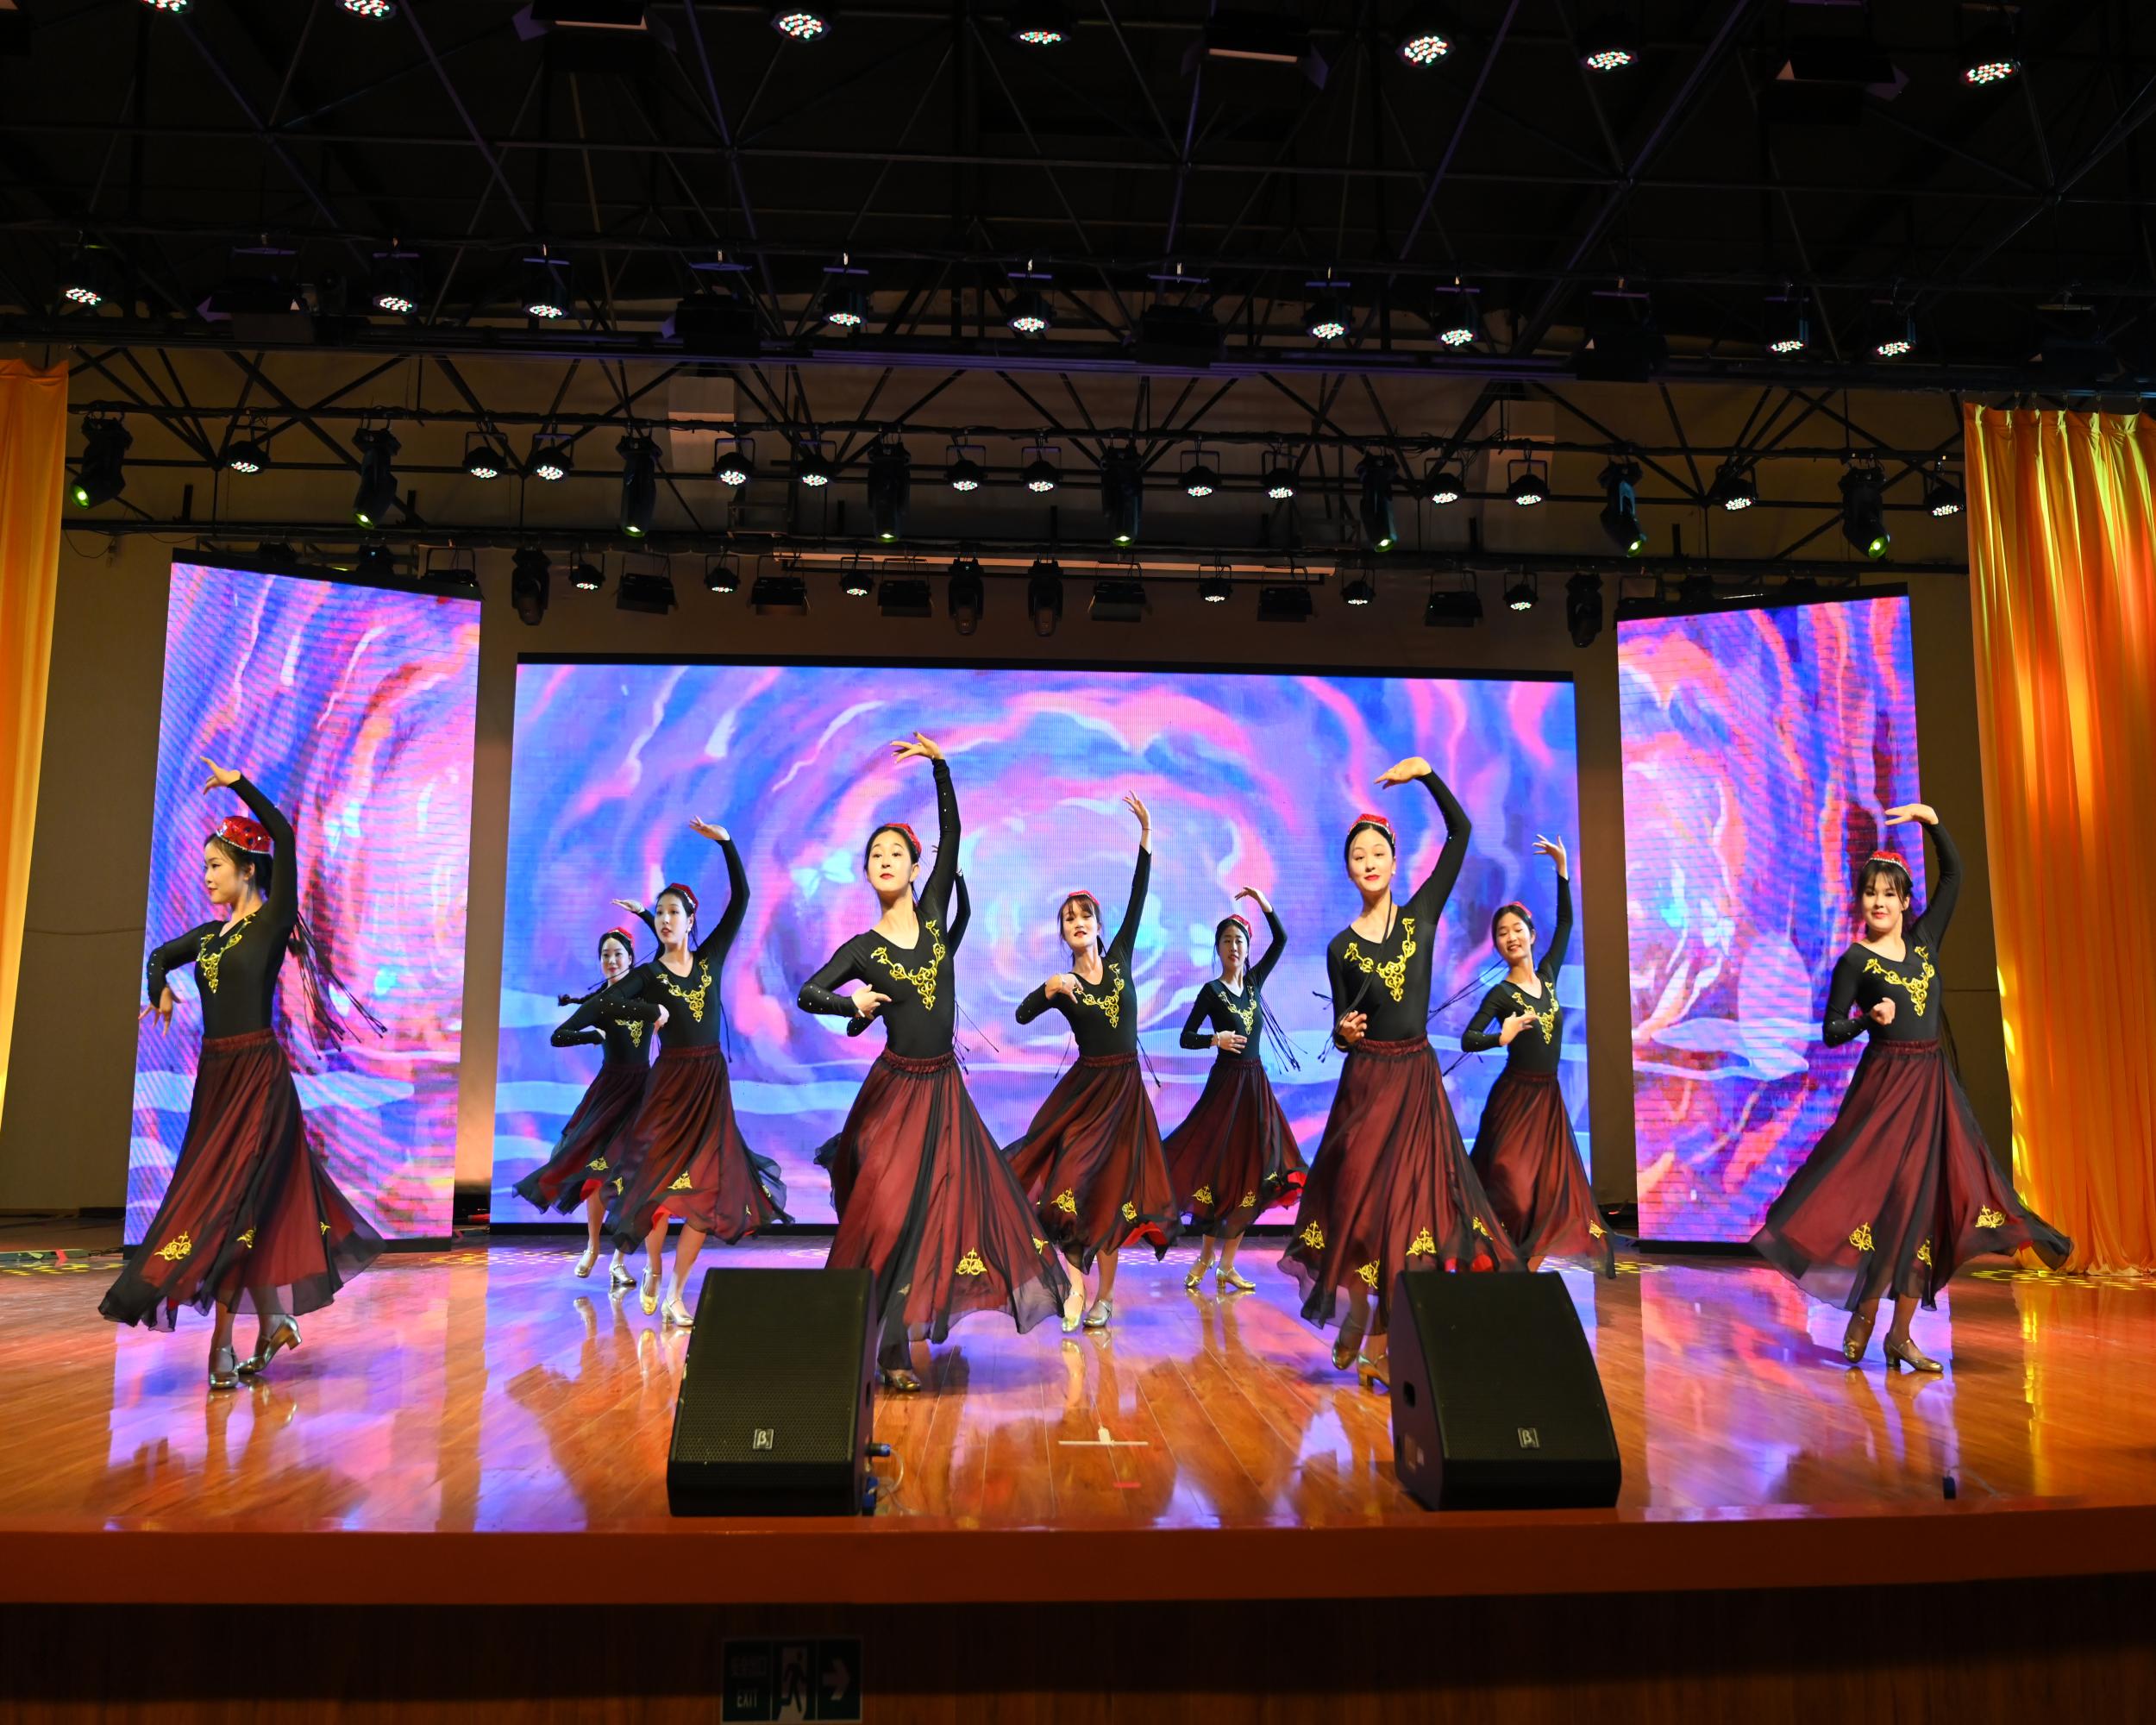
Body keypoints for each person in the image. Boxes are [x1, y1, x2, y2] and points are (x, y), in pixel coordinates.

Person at [1752, 804, 2071, 1370]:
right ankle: (1864, 1313)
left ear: (1904, 902)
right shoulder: (1855, 961)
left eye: (1888, 893)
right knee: (1889, 1203)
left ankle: (1900, 1334)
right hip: (1886, 1090)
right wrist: (1864, 1020)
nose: (1878, 902)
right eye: (1869, 893)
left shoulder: (1925, 941)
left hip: (1932, 1089)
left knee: (1925, 1208)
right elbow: (1830, 1031)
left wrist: (1932, 822)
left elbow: (1955, 875)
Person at [796, 733, 1069, 1392]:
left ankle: (896, 1346)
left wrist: (941, 768)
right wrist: (851, 1002)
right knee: (886, 1213)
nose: (885, 860)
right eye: (876, 855)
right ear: (868, 874)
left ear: (916, 869)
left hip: (943, 1094)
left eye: (896, 853)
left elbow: (953, 834)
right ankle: (872, 1337)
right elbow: (809, 992)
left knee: (935, 1220)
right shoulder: (862, 948)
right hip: (895, 1094)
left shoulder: (936, 917)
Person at [100, 757, 383, 1388]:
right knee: (228, 1203)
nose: (206, 877)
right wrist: (159, 990)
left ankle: (223, 1345)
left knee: (235, 1205)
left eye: (215, 866)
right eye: (204, 867)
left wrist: (239, 786)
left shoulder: (272, 921)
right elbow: (159, 955)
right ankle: (276, 1320)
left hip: (259, 1077)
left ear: (247, 869)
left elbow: (284, 833)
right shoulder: (209, 937)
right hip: (217, 1082)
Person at [1280, 756, 1521, 1389]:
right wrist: (1343, 1033)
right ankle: (1359, 1310)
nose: (1368, 862)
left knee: (1407, 1212)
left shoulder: (1420, 917)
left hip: (1415, 1083)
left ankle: (1380, 1340)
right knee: (1357, 1201)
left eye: (1378, 853)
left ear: (1393, 863)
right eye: (1358, 855)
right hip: (1366, 1086)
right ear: (1349, 868)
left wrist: (1427, 775)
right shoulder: (1340, 947)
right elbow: (1342, 1028)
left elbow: (1461, 833)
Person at [562, 821, 787, 1327]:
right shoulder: (648, 975)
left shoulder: (710, 960)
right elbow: (606, 1004)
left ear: (690, 920)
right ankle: (654, 1268)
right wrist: (647, 1012)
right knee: (659, 1189)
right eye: (658, 913)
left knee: (705, 1193)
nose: (664, 919)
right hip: (668, 1087)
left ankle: (676, 1294)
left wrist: (727, 843)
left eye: (672, 912)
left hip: (709, 1087)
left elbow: (742, 898)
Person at [1006, 796, 1180, 1331]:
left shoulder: (1121, 955)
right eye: (1069, 918)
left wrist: (1146, 834)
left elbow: (1139, 893)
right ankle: (1075, 1288)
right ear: (1063, 933)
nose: (1078, 922)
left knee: (1112, 1198)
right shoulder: (1065, 985)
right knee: (1068, 1188)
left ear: (1100, 925)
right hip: (1087, 1097)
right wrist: (1047, 988)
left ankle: (1103, 1296)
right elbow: (1021, 1015)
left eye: (1085, 916)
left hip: (1125, 1097)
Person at [1460, 837, 1614, 1274]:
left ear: (1531, 935)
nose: (1510, 937)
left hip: (1548, 1103)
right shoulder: (1500, 993)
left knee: (1548, 1196)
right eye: (1502, 933)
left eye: (1516, 930)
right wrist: (1501, 1036)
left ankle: (1524, 1276)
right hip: (1514, 1101)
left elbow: (1566, 923)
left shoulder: (1547, 976)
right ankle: (1492, 1260)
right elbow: (1470, 1038)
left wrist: (1562, 870)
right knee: (1509, 1183)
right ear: (1497, 946)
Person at [1163, 888, 1307, 1295]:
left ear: (1247, 948)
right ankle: (1206, 1256)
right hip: (1225, 1089)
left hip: (1255, 1090)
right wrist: (1217, 1039)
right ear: (1218, 948)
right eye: (1226, 941)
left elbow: (1281, 940)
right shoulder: (1211, 992)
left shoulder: (1255, 982)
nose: (1234, 947)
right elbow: (1185, 1037)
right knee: (1219, 1174)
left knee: (1255, 1175)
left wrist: (1263, 904)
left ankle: (1226, 1265)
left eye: (1239, 940)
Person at [510, 926, 661, 1290]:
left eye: (618, 954)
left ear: (630, 958)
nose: (612, 960)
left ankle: (618, 1261)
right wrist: (593, 1035)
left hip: (643, 1093)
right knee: (597, 1173)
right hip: (610, 1093)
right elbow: (558, 1036)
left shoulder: (645, 993)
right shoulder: (600, 1003)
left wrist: (644, 914)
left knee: (634, 1178)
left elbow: (662, 950)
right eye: (605, 955)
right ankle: (593, 1247)